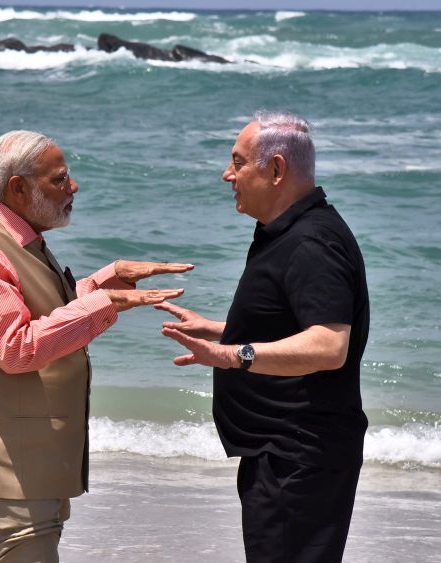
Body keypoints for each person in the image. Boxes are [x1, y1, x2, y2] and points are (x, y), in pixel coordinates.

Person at [0, 130, 192, 563]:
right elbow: (15, 347)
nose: (74, 187)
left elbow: (41, 312)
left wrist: (106, 282)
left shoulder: (18, 236)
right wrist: (104, 303)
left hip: (25, 454)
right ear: (18, 188)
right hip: (2, 459)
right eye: (60, 179)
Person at [157, 111, 369, 562]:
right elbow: (292, 325)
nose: (227, 174)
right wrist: (221, 332)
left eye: (238, 163)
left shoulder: (313, 242)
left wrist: (234, 354)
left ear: (276, 170)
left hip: (300, 457)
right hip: (284, 452)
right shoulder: (288, 231)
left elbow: (329, 345)